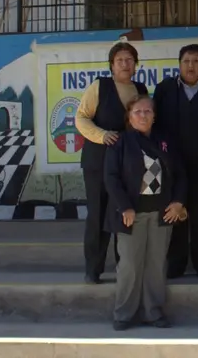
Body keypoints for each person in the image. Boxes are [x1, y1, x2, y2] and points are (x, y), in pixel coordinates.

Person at [104, 95, 187, 330]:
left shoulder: (166, 141)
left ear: (154, 116)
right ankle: (123, 314)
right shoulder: (120, 142)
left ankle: (154, 312)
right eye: (137, 112)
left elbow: (180, 174)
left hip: (162, 214)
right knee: (130, 265)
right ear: (129, 117)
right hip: (131, 215)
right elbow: (111, 178)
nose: (143, 115)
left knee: (156, 265)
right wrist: (125, 206)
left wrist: (178, 202)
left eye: (147, 111)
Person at [75, 42, 149, 284]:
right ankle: (93, 269)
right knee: (97, 214)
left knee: (124, 212)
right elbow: (81, 118)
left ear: (136, 65)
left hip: (127, 164)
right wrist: (101, 135)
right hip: (98, 160)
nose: (125, 64)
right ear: (112, 65)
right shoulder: (100, 86)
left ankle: (123, 267)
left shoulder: (140, 89)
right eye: (120, 60)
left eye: (129, 60)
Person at [154, 44, 198, 278]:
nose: (190, 66)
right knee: (175, 213)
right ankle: (176, 263)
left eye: (196, 61)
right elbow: (156, 124)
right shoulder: (165, 89)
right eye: (186, 61)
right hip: (172, 165)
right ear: (179, 64)